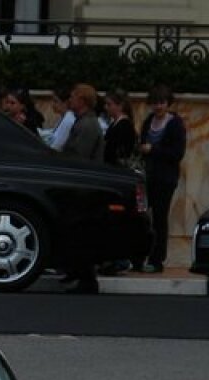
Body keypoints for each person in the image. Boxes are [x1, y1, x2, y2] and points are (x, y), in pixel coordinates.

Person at [59, 83, 105, 293]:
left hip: (84, 188)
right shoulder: (82, 122)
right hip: (80, 186)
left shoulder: (87, 125)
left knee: (82, 232)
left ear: (83, 101)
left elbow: (80, 157)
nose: (70, 100)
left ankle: (87, 279)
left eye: (73, 96)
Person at [138, 83, 187, 273]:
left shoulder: (175, 124)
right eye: (155, 103)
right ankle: (138, 255)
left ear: (168, 104)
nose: (158, 107)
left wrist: (153, 150)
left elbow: (177, 153)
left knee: (159, 218)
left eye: (162, 103)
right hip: (146, 177)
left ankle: (157, 259)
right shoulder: (148, 120)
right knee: (141, 216)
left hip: (165, 179)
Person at [99, 88, 139, 275]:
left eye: (110, 104)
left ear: (120, 105)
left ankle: (122, 258)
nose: (107, 108)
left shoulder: (124, 126)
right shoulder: (115, 124)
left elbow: (121, 153)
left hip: (118, 178)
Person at [42, 84, 74, 150]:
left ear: (65, 102)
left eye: (56, 101)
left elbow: (56, 146)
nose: (53, 104)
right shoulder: (64, 117)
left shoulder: (68, 120)